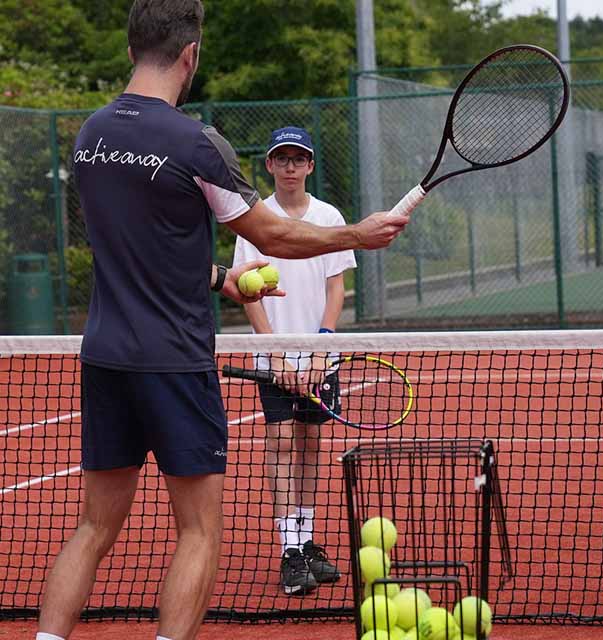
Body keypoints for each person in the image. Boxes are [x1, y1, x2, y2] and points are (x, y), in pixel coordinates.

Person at [36, 2, 409, 640]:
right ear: (191, 55)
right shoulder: (196, 143)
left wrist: (217, 278)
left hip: (103, 357)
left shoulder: (89, 137)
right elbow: (273, 236)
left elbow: (139, 246)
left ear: (131, 51)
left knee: (93, 528)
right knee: (199, 530)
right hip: (176, 361)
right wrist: (357, 233)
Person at [233, 126, 355, 595]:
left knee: (310, 444)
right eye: (280, 158)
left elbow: (335, 288)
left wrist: (322, 348)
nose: (289, 166)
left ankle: (306, 541)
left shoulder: (328, 217)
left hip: (320, 357)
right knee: (281, 441)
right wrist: (278, 355)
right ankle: (289, 548)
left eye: (297, 158)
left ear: (309, 165)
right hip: (274, 356)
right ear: (269, 165)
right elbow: (248, 293)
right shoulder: (256, 220)